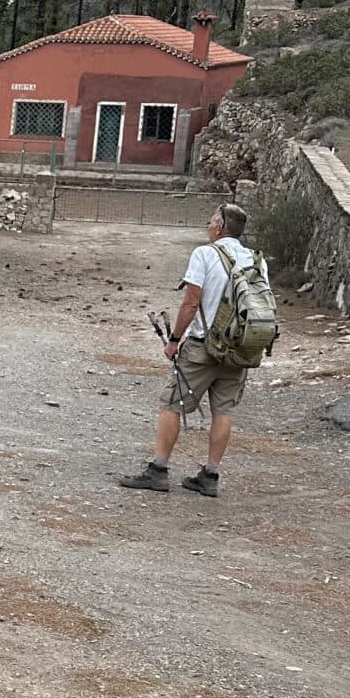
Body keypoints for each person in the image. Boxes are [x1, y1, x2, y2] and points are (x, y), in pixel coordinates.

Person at [119, 201, 266, 499]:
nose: (209, 225)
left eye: (212, 220)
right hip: (240, 348)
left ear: (221, 226)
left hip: (204, 347)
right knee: (222, 411)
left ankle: (158, 470)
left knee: (172, 404)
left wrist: (174, 340)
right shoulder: (257, 260)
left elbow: (190, 303)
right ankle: (210, 475)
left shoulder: (205, 254)